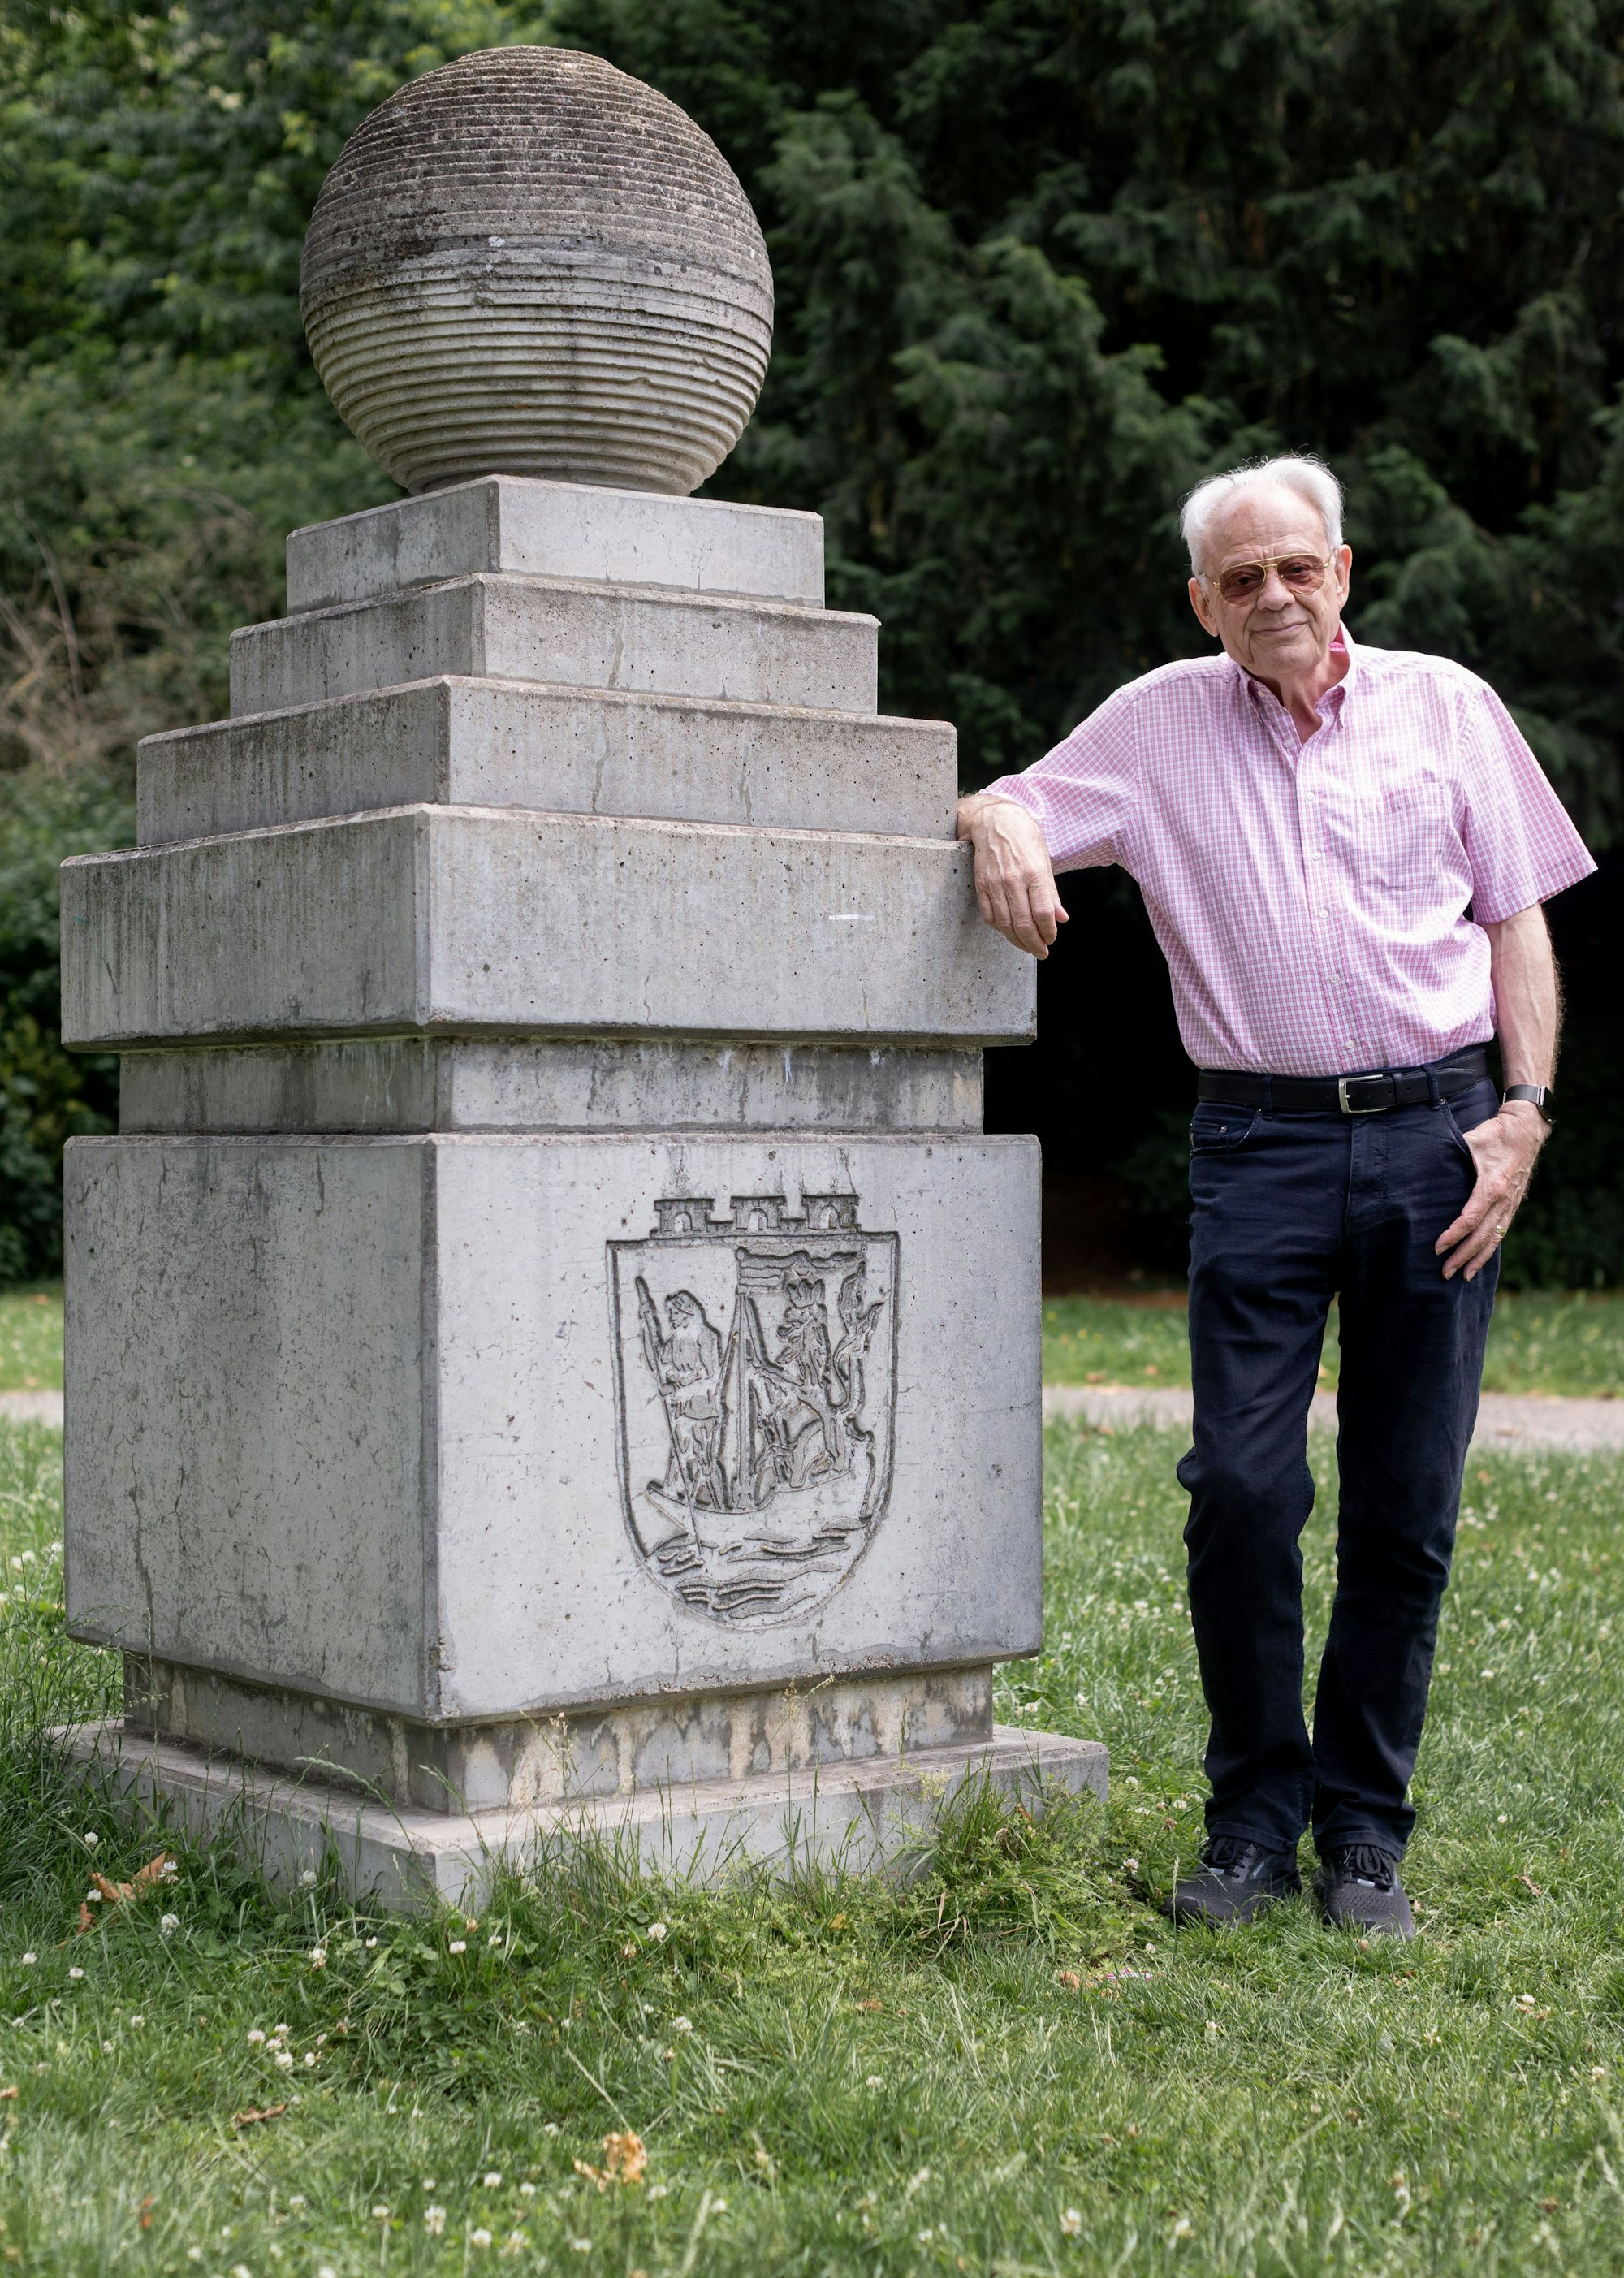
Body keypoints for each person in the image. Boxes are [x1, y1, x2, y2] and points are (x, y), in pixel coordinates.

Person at [957, 456, 1595, 1936]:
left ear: (1344, 570)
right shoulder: (1156, 722)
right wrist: (994, 816)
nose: (1274, 597)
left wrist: (1524, 1114)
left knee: (1406, 1501)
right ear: (1205, 601)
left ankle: (1365, 1834)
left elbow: (1519, 918)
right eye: (1241, 580)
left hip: (1444, 1135)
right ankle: (1251, 1819)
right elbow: (1014, 801)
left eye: (1297, 568)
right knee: (1242, 1491)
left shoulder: (1449, 706)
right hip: (1258, 1147)